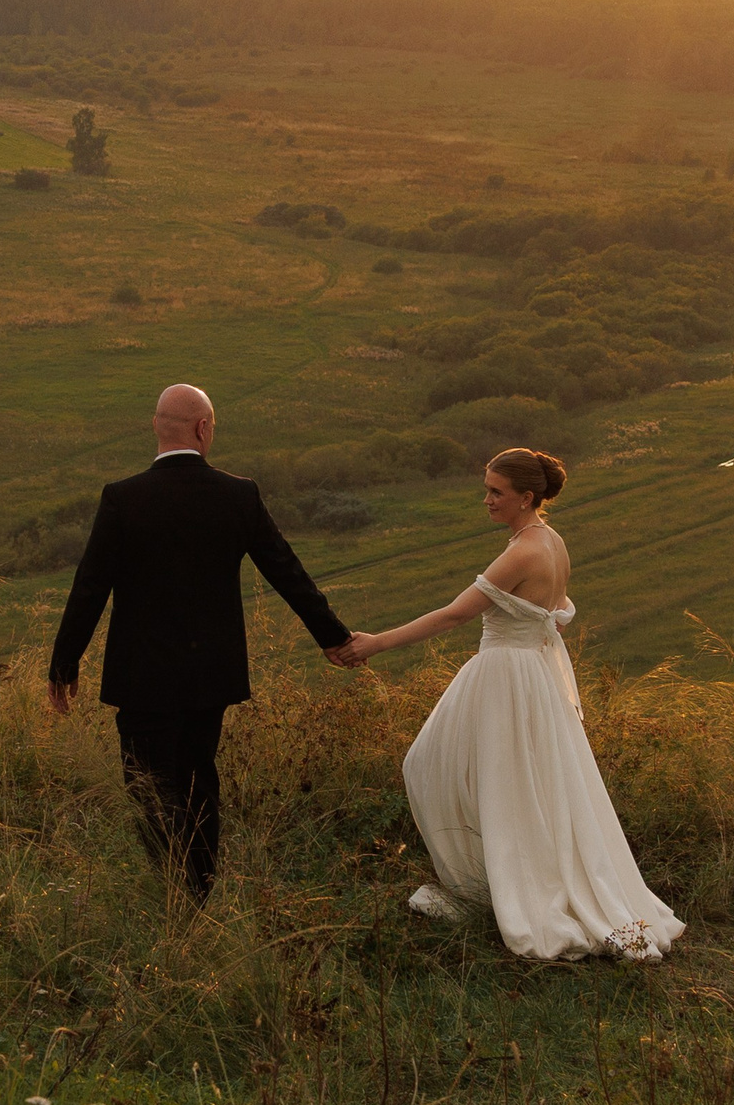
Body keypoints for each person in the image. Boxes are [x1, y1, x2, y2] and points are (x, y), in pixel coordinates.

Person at [341, 448, 682, 961]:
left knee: (452, 769)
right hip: (530, 676)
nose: (487, 500)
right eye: (487, 488)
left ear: (527, 498)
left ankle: (503, 885)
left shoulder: (522, 552)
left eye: (497, 492)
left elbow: (454, 616)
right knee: (516, 783)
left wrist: (375, 643)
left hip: (506, 675)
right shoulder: (550, 540)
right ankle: (495, 875)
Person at [49, 383, 356, 901]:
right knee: (199, 779)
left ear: (156, 427)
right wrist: (332, 636)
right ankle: (200, 890)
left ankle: (171, 889)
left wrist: (64, 665)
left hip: (142, 675)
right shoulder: (239, 495)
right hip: (210, 673)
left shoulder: (123, 498)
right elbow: (286, 570)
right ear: (204, 428)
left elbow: (89, 587)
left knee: (149, 784)